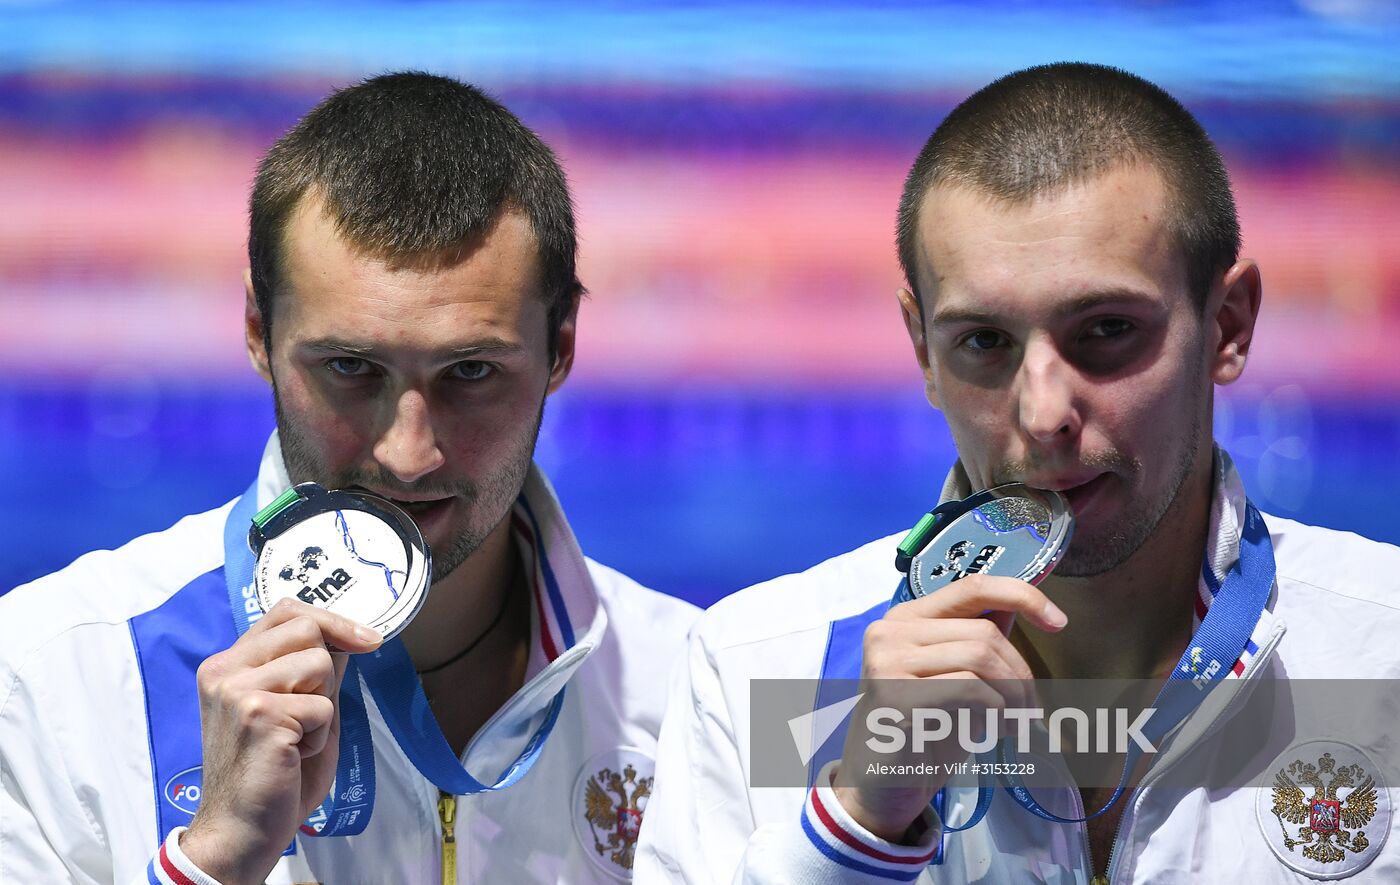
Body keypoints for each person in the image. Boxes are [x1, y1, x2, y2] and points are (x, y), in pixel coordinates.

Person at [636, 62, 1400, 884]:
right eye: (984, 342)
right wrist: (854, 823)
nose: (1043, 414)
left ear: (1228, 326)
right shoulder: (760, 669)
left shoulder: (1383, 647)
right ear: (922, 348)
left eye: (1106, 329)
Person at [0, 72, 698, 884]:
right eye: (349, 367)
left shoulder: (699, 678)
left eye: (470, 370)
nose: (408, 453)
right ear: (259, 331)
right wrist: (213, 860)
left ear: (562, 347)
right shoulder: (52, 675)